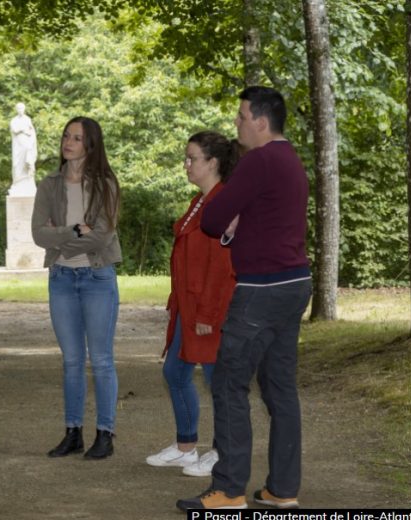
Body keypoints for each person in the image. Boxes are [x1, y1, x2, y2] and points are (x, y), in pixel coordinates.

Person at [177, 86, 312, 510]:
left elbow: (213, 220)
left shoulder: (259, 160)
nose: (236, 126)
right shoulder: (291, 160)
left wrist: (233, 221)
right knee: (279, 388)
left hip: (260, 289)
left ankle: (229, 490)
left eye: (240, 117)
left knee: (228, 383)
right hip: (294, 284)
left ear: (260, 120)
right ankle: (283, 489)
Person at [145, 132, 237, 477]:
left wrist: (209, 314)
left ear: (212, 163)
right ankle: (186, 447)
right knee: (175, 372)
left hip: (210, 308)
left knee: (218, 382)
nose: (186, 164)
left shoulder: (223, 201)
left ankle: (223, 452)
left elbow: (223, 266)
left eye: (192, 158)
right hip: (189, 305)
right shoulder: (199, 201)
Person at [31, 116, 122, 460]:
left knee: (100, 360)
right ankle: (73, 433)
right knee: (71, 361)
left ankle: (105, 434)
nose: (68, 142)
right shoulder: (49, 184)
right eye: (66, 136)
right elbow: (40, 235)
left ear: (90, 145)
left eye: (77, 138)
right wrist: (74, 231)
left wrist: (62, 240)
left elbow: (103, 235)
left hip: (97, 278)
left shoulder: (106, 184)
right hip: (61, 281)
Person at [9, 102, 39, 196]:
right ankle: (17, 183)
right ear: (16, 109)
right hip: (17, 147)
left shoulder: (27, 119)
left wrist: (27, 134)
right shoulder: (14, 120)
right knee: (16, 165)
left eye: (21, 108)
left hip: (26, 145)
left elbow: (32, 132)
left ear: (24, 109)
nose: (20, 110)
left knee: (27, 163)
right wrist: (23, 129)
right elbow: (15, 130)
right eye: (18, 108)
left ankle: (27, 183)